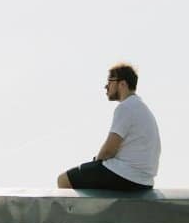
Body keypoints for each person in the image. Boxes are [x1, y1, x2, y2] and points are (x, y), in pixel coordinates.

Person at [57, 62, 159, 191]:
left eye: (110, 81)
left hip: (126, 176)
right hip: (145, 181)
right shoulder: (141, 108)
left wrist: (95, 163)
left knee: (63, 180)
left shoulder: (126, 107)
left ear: (122, 84)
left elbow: (108, 151)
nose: (106, 86)